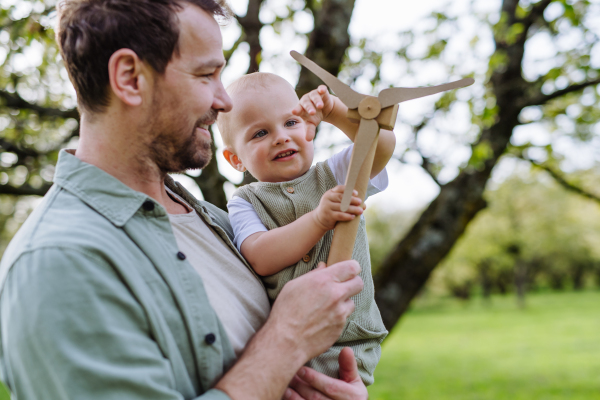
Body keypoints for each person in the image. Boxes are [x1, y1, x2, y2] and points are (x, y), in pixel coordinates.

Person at [0, 0, 370, 399]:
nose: (224, 101)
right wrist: (286, 340)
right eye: (206, 75)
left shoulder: (215, 222)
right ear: (129, 78)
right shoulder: (58, 266)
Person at [217, 73, 395, 385]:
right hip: (291, 343)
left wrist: (335, 111)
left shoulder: (338, 173)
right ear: (235, 159)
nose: (281, 137)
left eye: (291, 122)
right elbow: (259, 255)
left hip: (352, 336)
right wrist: (318, 220)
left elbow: (380, 141)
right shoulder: (245, 201)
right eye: (260, 133)